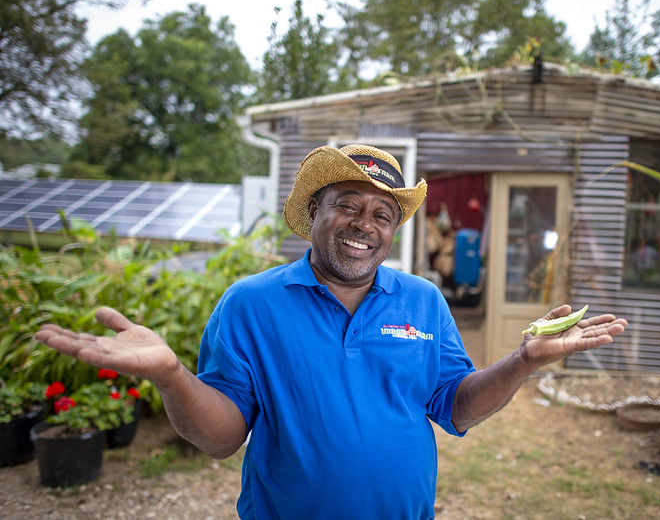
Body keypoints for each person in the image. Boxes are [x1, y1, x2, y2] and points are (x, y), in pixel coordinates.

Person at [35, 144, 628, 519]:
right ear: (313, 212)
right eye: (347, 204)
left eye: (382, 214)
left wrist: (523, 360)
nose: (363, 225)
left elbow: (456, 407)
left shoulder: (423, 301)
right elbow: (221, 438)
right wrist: (171, 377)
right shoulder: (252, 304)